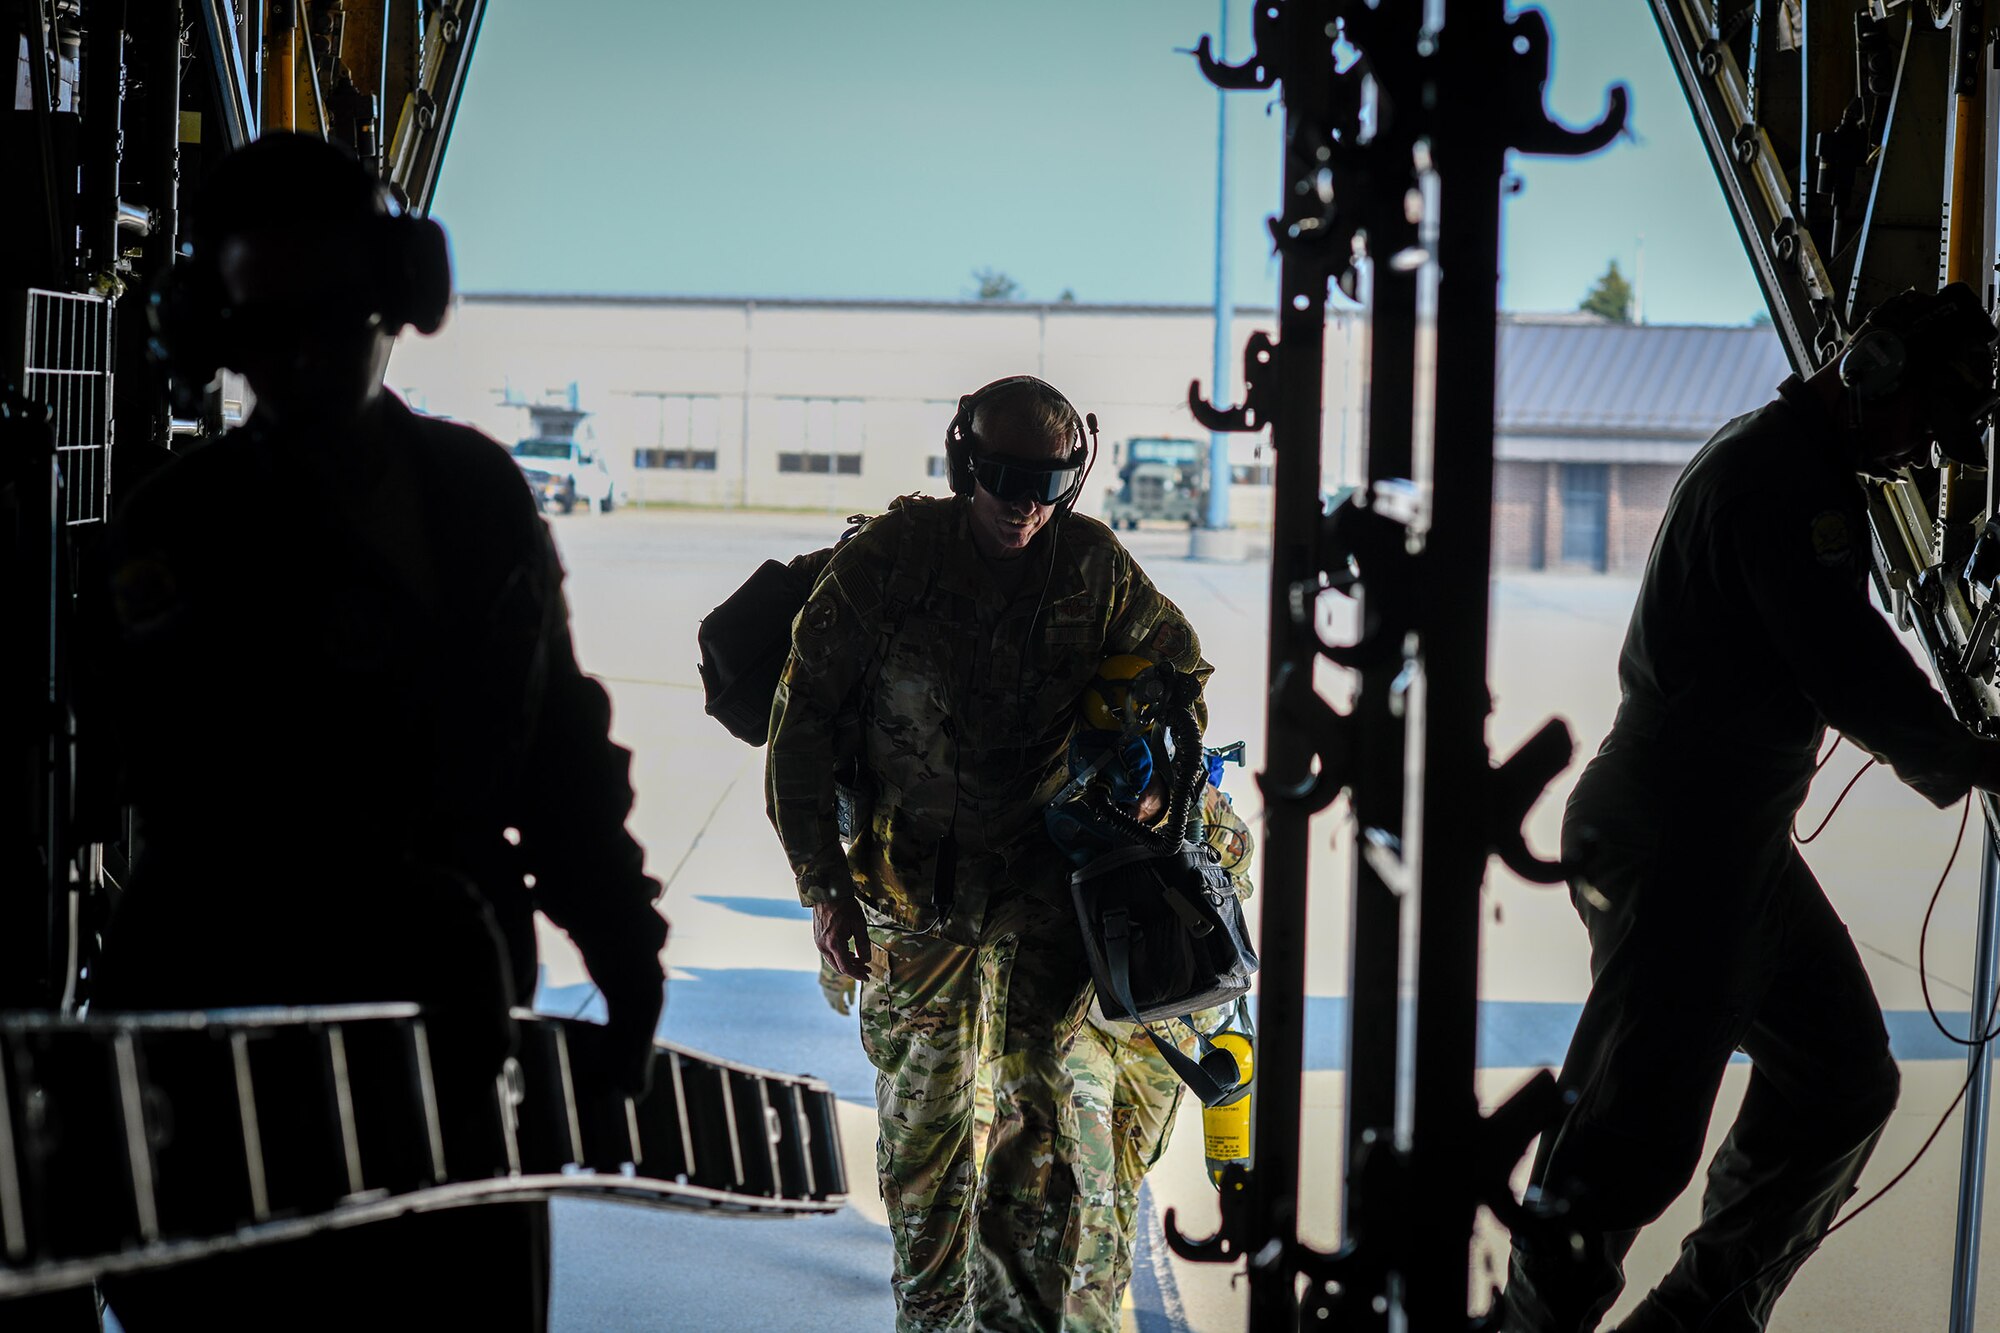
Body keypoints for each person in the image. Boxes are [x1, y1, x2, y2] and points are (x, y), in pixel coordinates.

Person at [91, 133, 668, 1330]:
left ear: (395, 299)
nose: (302, 354)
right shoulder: (179, 524)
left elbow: (557, 744)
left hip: (451, 1039)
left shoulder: (475, 497)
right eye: (266, 324)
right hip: (233, 1030)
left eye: (333, 310)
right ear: (213, 327)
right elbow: (176, 786)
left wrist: (624, 949)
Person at [1499, 283, 2000, 1333]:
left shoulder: (1797, 459)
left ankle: (1696, 1317)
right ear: (1866, 372)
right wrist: (1965, 755)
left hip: (1735, 843)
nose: (1918, 454)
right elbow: (1843, 661)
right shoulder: (1782, 480)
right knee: (1627, 1136)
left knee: (1839, 1082)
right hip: (1679, 839)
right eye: (1921, 421)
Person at [765, 375, 1211, 1332]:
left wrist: (1153, 773)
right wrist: (825, 890)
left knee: (1040, 1156)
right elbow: (797, 730)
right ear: (966, 464)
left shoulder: (1092, 568)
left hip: (1046, 910)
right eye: (1006, 478)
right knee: (926, 1162)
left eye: (1049, 482)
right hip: (913, 908)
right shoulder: (889, 563)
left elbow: (1177, 678)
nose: (1025, 505)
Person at [816, 778, 1257, 1333]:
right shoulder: (1031, 766)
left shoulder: (1153, 755)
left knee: (1116, 1199)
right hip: (1063, 1012)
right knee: (1080, 1196)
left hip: (1154, 1031)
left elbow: (1232, 854)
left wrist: (1165, 807)